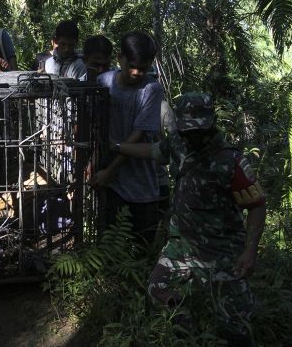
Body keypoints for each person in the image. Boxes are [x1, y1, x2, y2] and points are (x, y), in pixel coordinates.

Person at [114, 93, 266, 346]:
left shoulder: (231, 161)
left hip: (222, 251)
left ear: (211, 124)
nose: (193, 137)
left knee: (235, 325)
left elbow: (257, 205)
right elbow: (152, 151)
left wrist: (250, 252)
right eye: (187, 131)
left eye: (199, 131)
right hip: (182, 246)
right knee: (157, 288)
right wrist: (117, 147)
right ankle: (189, 332)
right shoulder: (177, 143)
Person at [90, 31, 175, 245]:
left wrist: (110, 167)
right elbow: (91, 123)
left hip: (140, 185)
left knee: (142, 249)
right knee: (108, 244)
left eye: (143, 68)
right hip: (109, 183)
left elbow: (137, 136)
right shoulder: (103, 82)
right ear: (120, 58)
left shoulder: (151, 90)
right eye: (132, 66)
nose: (137, 73)